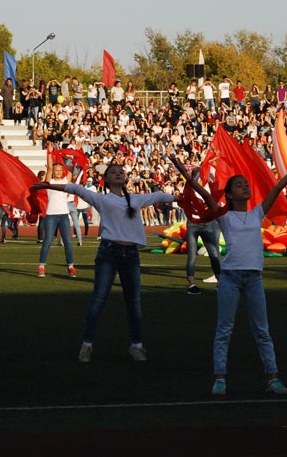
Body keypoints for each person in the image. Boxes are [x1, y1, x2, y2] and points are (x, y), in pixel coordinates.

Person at [172, 145, 287, 396]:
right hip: (230, 278)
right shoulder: (224, 217)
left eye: (245, 184)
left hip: (253, 278)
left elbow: (278, 187)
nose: (245, 187)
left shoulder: (257, 213)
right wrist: (181, 171)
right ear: (229, 194)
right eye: (239, 185)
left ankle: (273, 378)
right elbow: (203, 193)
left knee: (262, 330)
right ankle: (220, 378)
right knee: (224, 329)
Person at [32, 162, 180, 363]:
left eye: (121, 172)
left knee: (134, 302)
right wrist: (46, 185)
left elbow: (160, 196)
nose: (118, 174)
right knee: (99, 299)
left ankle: (136, 345)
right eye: (113, 172)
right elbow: (74, 188)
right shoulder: (101, 199)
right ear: (106, 180)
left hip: (131, 254)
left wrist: (180, 198)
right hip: (109, 252)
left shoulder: (136, 199)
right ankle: (87, 344)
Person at [37, 145, 76, 278]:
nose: (58, 172)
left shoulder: (65, 181)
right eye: (56, 170)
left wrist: (76, 154)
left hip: (64, 215)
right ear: (53, 171)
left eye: (60, 170)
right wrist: (49, 153)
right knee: (47, 241)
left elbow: (71, 169)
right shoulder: (49, 181)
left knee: (68, 243)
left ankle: (70, 266)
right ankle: (42, 266)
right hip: (51, 216)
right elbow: (48, 167)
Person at [183, 166, 223, 295]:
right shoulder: (188, 188)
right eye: (198, 175)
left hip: (207, 223)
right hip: (193, 224)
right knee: (192, 255)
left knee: (214, 254)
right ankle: (191, 284)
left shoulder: (207, 187)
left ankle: (220, 281)